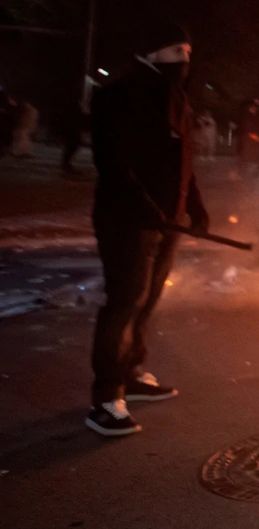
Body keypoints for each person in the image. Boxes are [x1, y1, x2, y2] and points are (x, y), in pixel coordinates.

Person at [86, 23, 209, 437]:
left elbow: (182, 162)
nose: (185, 61)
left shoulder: (178, 100)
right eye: (176, 51)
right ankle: (106, 398)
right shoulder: (119, 97)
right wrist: (147, 208)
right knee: (124, 302)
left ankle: (131, 371)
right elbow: (115, 165)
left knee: (147, 300)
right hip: (128, 222)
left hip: (165, 223)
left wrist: (194, 205)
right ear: (152, 54)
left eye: (189, 52)